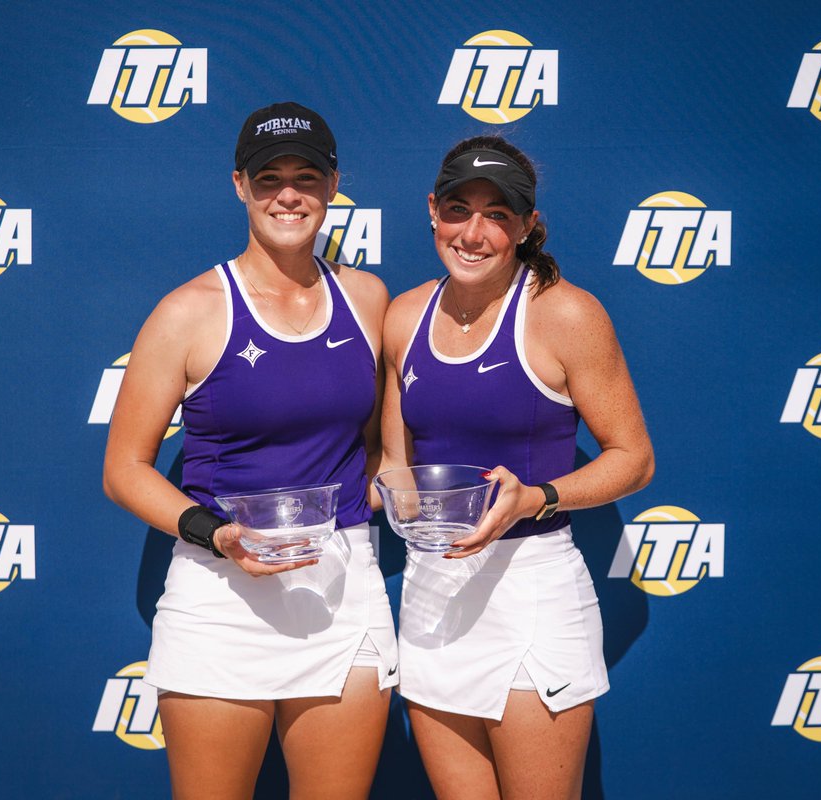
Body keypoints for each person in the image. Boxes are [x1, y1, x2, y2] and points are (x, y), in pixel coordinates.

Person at [103, 101, 397, 800]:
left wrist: (408, 499)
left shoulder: (367, 298)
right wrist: (218, 533)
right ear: (240, 185)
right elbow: (124, 469)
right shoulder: (189, 311)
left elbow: (379, 448)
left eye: (305, 175)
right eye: (269, 178)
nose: (287, 194)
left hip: (342, 591)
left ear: (332, 185)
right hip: (219, 595)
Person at [378, 135, 654, 800]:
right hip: (432, 593)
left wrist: (537, 497)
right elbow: (396, 466)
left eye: (497, 215)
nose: (473, 233)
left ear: (527, 226)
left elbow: (634, 460)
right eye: (458, 209)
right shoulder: (405, 314)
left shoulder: (564, 313)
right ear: (432, 212)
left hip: (530, 592)